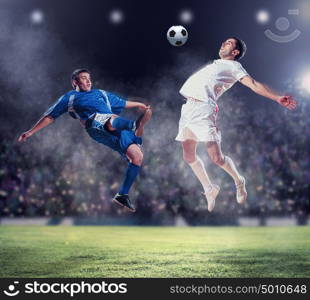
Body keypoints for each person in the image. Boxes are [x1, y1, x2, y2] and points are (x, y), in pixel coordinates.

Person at [176, 37, 297, 212]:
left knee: (216, 158)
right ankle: (209, 189)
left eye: (228, 43)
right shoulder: (216, 64)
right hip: (188, 109)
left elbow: (254, 84)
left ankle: (239, 180)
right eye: (223, 41)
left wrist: (276, 97)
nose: (223, 43)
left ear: (235, 52)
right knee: (188, 157)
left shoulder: (234, 67)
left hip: (203, 109)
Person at [18, 69, 152, 212]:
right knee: (110, 118)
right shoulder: (70, 97)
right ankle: (133, 125)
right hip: (94, 124)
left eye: (89, 78)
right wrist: (31, 131)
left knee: (137, 157)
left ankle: (122, 195)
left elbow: (123, 103)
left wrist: (138, 104)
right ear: (75, 82)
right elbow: (50, 116)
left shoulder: (101, 93)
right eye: (83, 78)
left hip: (114, 128)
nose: (88, 81)